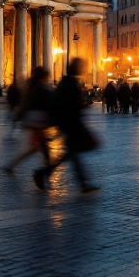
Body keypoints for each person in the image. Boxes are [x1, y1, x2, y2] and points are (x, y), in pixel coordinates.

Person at [34, 58, 99, 193]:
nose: (83, 69)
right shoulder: (70, 84)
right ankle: (81, 183)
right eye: (81, 66)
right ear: (75, 68)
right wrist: (81, 108)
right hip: (70, 124)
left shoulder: (66, 82)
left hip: (68, 123)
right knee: (71, 154)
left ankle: (81, 182)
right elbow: (70, 105)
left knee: (71, 154)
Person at [5, 67, 54, 173]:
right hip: (38, 121)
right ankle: (47, 170)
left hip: (33, 121)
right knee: (40, 147)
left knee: (35, 148)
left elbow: (25, 103)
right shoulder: (42, 89)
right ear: (43, 77)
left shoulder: (32, 87)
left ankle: (12, 165)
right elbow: (49, 103)